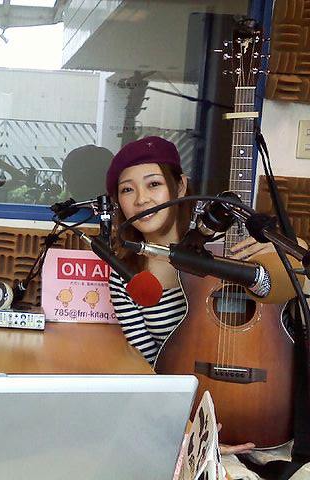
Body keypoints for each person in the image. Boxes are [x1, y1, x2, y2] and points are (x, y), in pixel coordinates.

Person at [105, 136, 260, 457]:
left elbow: (283, 293)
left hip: (261, 399)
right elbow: (147, 366)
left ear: (180, 186)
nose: (142, 199)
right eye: (127, 190)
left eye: (154, 184)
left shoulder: (227, 248)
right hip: (181, 416)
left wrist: (275, 256)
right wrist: (187, 431)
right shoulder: (125, 272)